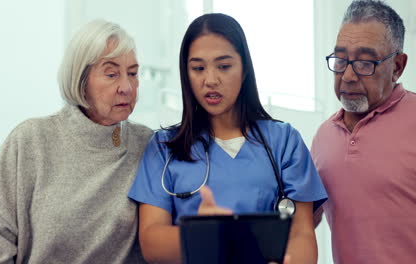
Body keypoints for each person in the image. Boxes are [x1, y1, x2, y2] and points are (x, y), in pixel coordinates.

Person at [128, 13, 327, 264]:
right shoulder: (163, 148)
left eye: (224, 66)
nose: (210, 80)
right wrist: (206, 236)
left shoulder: (284, 141)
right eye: (198, 68)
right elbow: (152, 243)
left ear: (244, 69)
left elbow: (301, 233)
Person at [0, 19, 153, 263]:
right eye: (111, 74)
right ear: (81, 80)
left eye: (133, 73)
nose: (126, 87)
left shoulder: (147, 145)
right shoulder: (31, 140)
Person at [311, 1, 416, 263]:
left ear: (397, 66)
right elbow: (303, 224)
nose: (349, 75)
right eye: (341, 60)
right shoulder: (323, 138)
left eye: (365, 63)